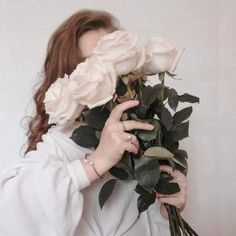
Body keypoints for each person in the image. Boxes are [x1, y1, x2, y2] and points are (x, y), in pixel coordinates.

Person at [0, 9, 187, 236]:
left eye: (114, 63)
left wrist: (166, 212)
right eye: (90, 64)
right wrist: (96, 162)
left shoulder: (144, 138)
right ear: (69, 78)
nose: (107, 76)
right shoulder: (58, 145)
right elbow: (9, 217)